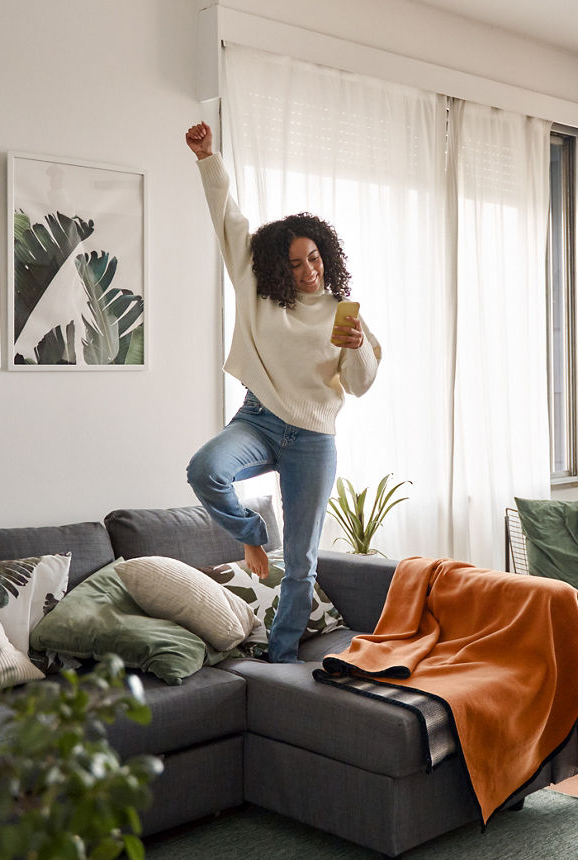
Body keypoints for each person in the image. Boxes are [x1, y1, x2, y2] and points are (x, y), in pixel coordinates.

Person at [185, 121, 382, 663]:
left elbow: (361, 385)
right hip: (260, 419)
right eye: (295, 263)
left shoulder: (343, 312)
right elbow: (229, 218)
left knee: (301, 562)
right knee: (205, 470)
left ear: (326, 255)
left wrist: (358, 343)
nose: (308, 270)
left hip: (315, 437)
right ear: (278, 266)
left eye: (314, 258)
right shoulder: (255, 286)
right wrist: (207, 158)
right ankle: (251, 532)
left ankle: (283, 659)